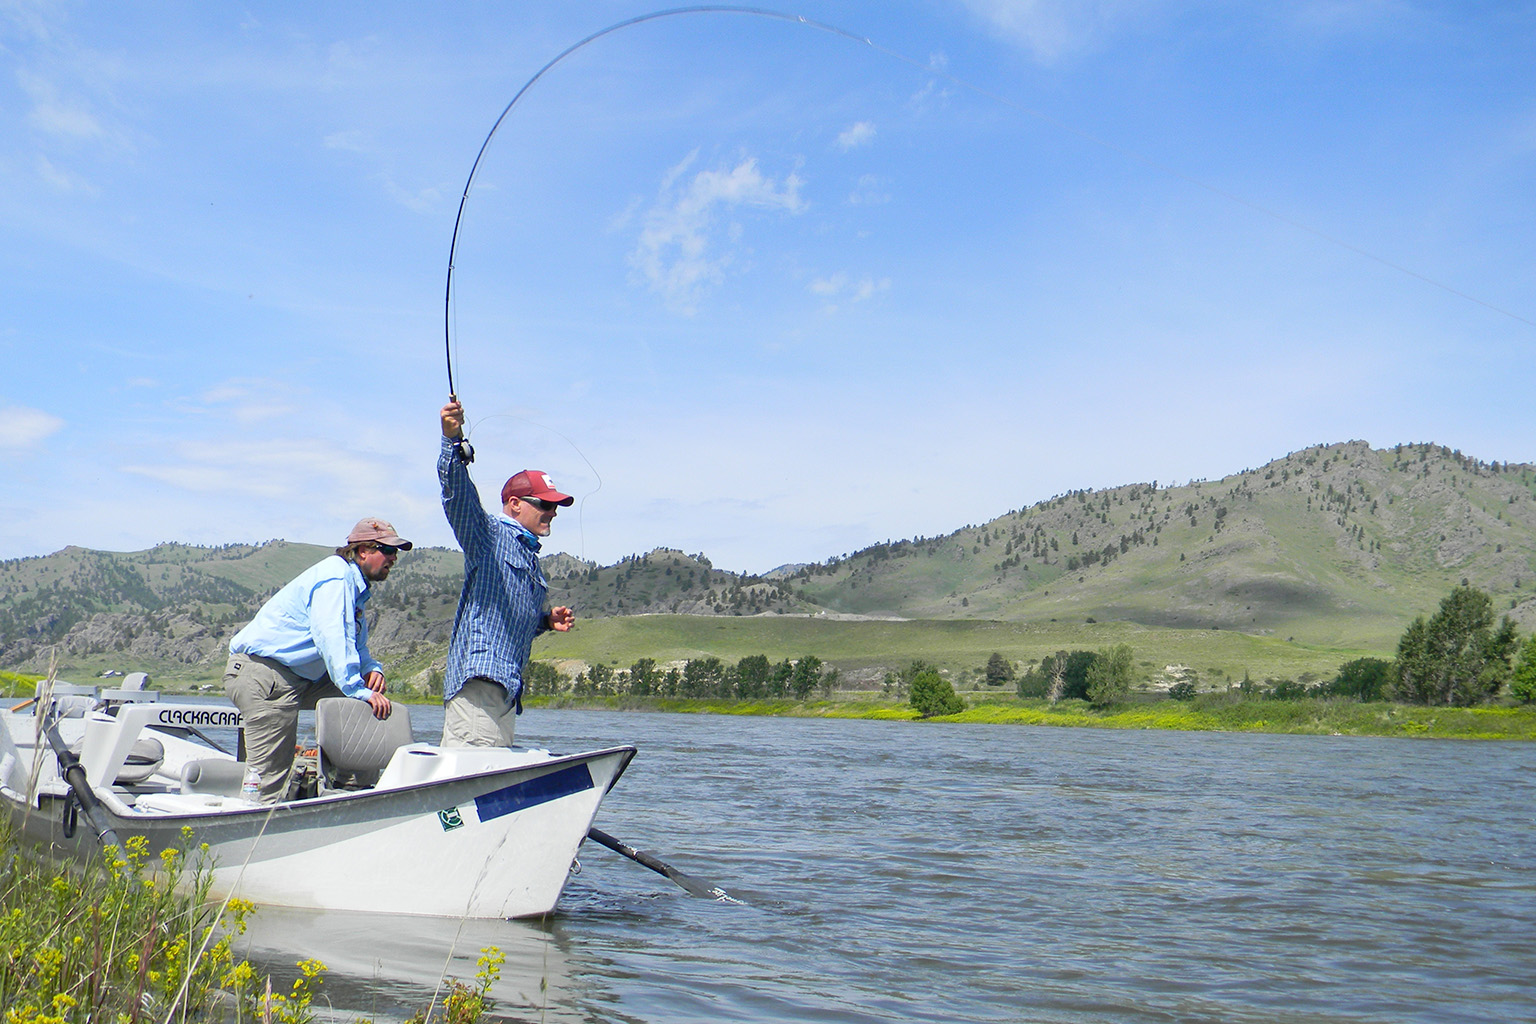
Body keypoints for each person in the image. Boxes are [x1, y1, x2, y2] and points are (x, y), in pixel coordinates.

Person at [223, 518, 410, 802]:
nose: (393, 558)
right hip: (264, 676)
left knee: (366, 701)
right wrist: (357, 688)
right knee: (271, 778)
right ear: (362, 551)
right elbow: (332, 637)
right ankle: (253, 827)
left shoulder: (355, 589)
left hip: (296, 679)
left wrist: (371, 671)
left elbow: (355, 645)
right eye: (387, 550)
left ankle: (354, 792)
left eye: (396, 552)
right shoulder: (336, 578)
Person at [438, 399, 575, 747]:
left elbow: (508, 620)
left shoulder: (527, 554)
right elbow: (459, 500)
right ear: (515, 504)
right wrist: (452, 442)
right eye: (545, 504)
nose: (552, 513)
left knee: (484, 789)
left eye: (555, 506)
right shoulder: (489, 536)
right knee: (468, 785)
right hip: (478, 687)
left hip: (505, 692)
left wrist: (544, 621)